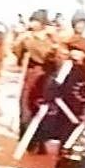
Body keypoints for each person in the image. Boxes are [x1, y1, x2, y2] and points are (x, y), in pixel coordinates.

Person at [14, 9, 58, 140]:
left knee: (39, 105)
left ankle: (39, 138)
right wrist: (19, 43)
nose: (32, 23)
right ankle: (25, 134)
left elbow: (49, 57)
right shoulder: (26, 37)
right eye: (32, 20)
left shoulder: (49, 39)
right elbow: (18, 54)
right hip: (30, 73)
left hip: (44, 75)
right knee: (25, 104)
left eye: (36, 21)